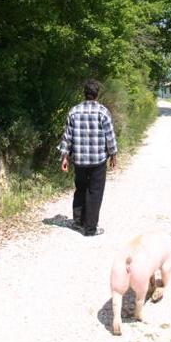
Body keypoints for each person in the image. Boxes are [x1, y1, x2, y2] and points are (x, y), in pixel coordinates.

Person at [58, 79, 117, 236]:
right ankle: (90, 228)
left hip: (79, 160)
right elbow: (109, 136)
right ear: (97, 95)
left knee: (81, 188)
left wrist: (64, 157)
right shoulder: (103, 112)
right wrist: (113, 154)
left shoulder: (74, 111)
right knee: (95, 191)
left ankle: (78, 221)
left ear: (84, 94)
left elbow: (67, 136)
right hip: (98, 160)